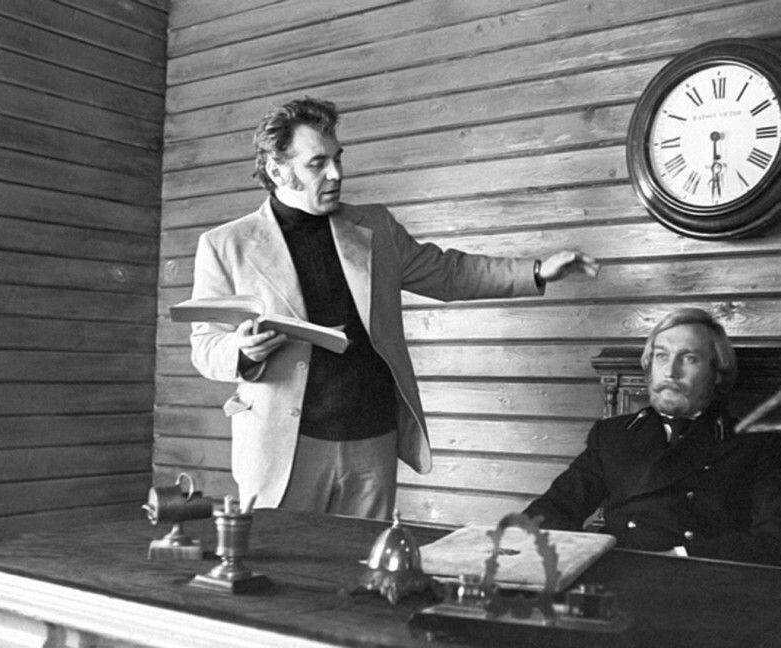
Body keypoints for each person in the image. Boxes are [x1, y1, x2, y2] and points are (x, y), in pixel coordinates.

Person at [188, 97, 599, 520]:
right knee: (282, 557)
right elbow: (205, 347)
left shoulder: (375, 227)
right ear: (277, 170)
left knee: (364, 558)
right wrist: (242, 350)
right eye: (317, 164)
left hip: (373, 439)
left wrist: (536, 271)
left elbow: (448, 273)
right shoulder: (225, 245)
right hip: (282, 446)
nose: (336, 174)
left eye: (337, 158)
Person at [524, 307, 781, 568]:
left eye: (688, 358)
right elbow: (550, 510)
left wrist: (683, 557)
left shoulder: (751, 443)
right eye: (661, 356)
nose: (671, 372)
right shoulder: (613, 435)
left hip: (699, 583)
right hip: (618, 574)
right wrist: (584, 557)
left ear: (716, 373)